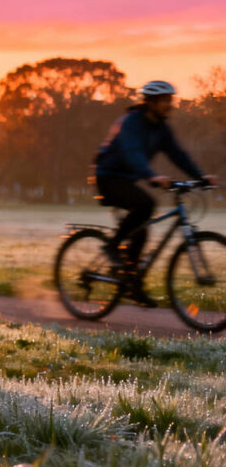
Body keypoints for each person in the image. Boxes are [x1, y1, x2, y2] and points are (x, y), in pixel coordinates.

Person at [93, 80, 218, 306]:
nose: (169, 104)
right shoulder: (132, 122)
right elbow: (133, 152)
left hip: (128, 178)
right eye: (164, 100)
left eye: (170, 99)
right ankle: (111, 246)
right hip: (108, 177)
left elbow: (178, 155)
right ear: (150, 102)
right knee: (145, 205)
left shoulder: (161, 129)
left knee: (141, 230)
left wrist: (201, 176)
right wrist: (152, 175)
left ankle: (132, 284)